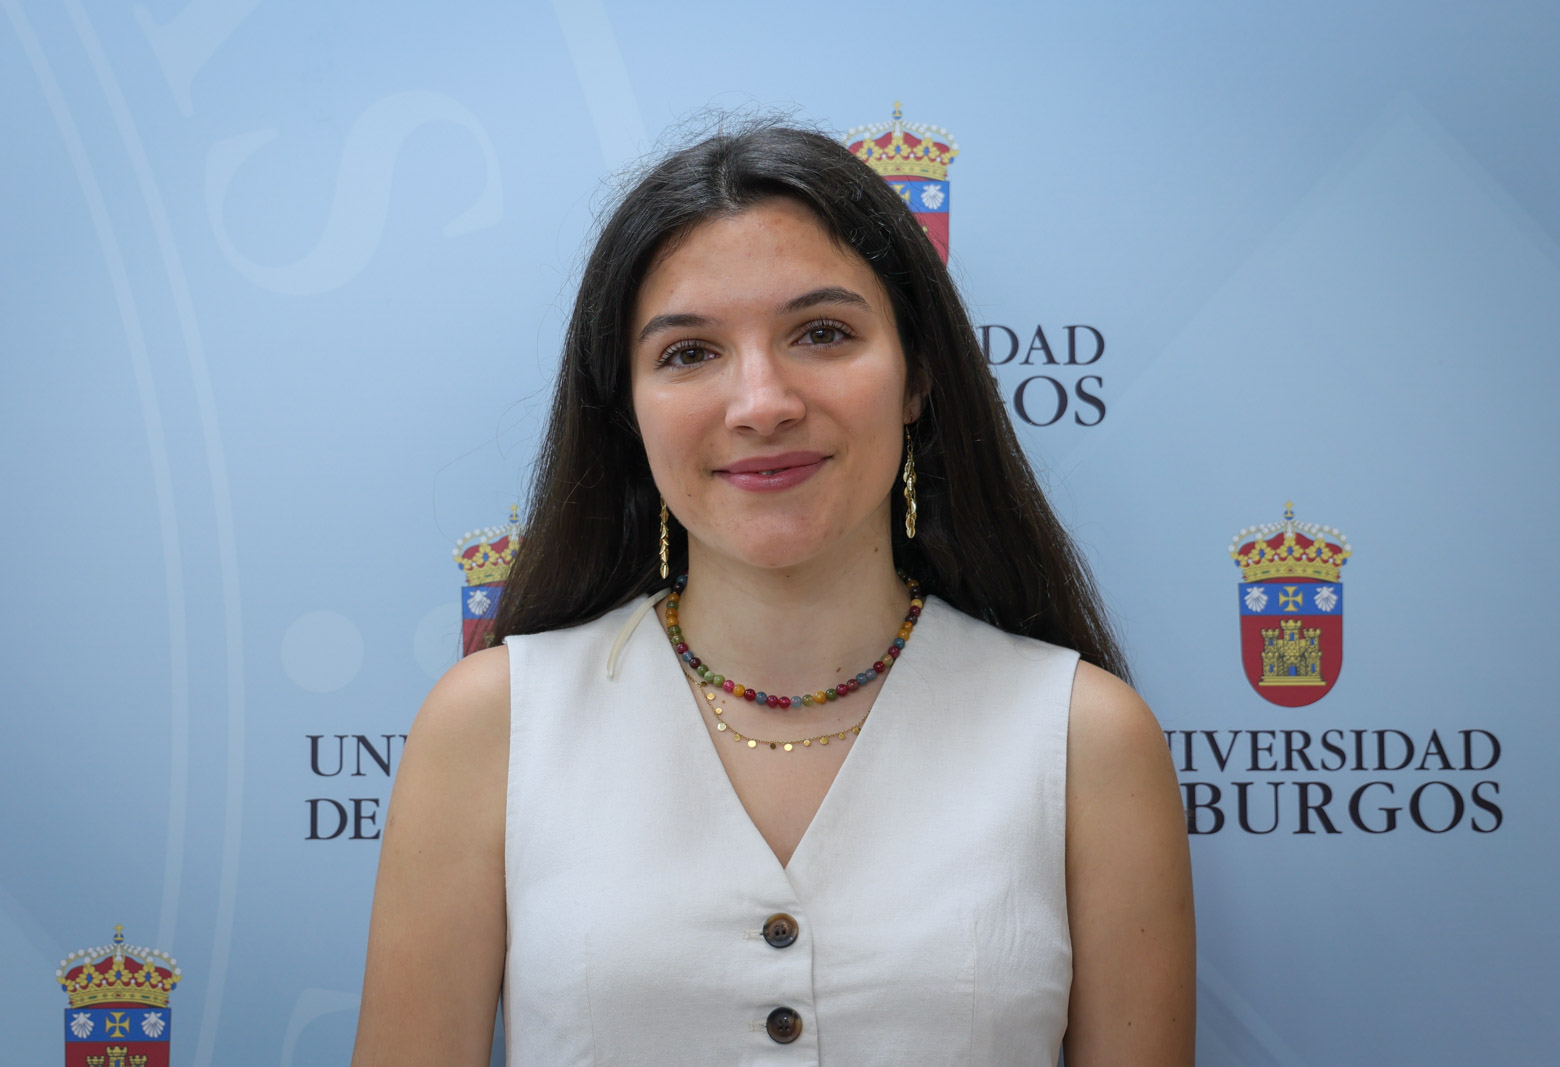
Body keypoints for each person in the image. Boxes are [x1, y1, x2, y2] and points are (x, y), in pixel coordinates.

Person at [352, 120, 1194, 1066]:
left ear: (918, 377)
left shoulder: (1086, 739)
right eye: (688, 352)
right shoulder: (492, 726)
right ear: (627, 411)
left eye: (823, 333)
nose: (761, 403)